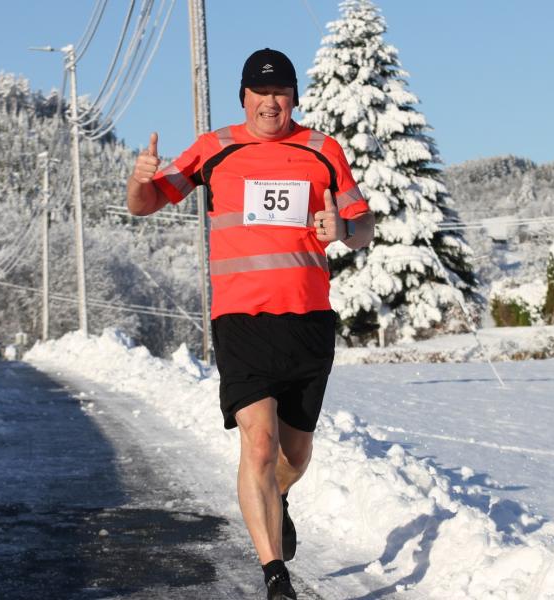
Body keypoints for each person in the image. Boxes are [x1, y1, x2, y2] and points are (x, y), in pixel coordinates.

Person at [126, 48, 375, 600]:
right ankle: (274, 575)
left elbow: (363, 226)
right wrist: (140, 179)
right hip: (241, 319)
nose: (271, 102)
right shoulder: (215, 149)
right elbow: (145, 204)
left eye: (281, 92)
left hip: (308, 320)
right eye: (260, 93)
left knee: (294, 456)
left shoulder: (322, 149)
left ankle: (277, 499)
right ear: (244, 97)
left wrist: (343, 228)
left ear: (293, 98)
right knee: (258, 448)